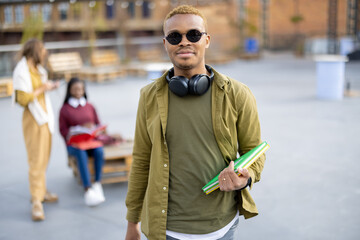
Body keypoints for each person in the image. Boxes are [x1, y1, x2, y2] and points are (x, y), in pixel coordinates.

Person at [125, 5, 266, 240]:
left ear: (207, 40)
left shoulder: (238, 94)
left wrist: (246, 176)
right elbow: (141, 160)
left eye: (193, 34)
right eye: (174, 36)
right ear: (165, 43)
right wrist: (132, 222)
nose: (184, 42)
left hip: (222, 226)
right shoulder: (148, 96)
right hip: (166, 229)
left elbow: (255, 151)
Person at [12, 38, 59, 221]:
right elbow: (22, 99)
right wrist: (42, 88)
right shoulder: (21, 71)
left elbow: (40, 90)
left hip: (45, 116)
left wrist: (49, 87)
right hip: (33, 119)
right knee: (35, 159)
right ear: (35, 51)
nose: (45, 54)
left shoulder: (38, 70)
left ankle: (42, 190)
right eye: (43, 51)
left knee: (45, 156)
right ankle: (36, 202)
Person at [59, 77, 105, 207]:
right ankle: (88, 189)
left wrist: (96, 129)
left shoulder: (90, 106)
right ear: (70, 90)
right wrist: (77, 130)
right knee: (81, 154)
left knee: (99, 151)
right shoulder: (65, 109)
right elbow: (63, 130)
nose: (78, 91)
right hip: (74, 145)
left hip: (90, 142)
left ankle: (97, 183)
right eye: (75, 89)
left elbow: (98, 123)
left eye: (80, 88)